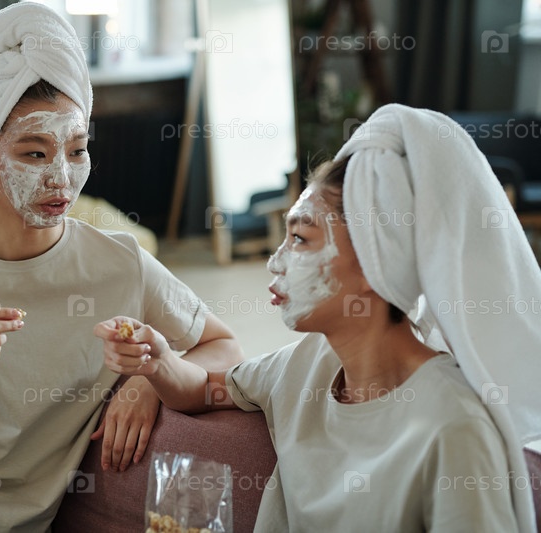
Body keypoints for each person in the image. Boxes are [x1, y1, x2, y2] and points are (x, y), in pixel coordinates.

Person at [0, 3, 243, 532]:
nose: (61, 178)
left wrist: (149, 377)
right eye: (33, 154)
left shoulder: (120, 264)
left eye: (76, 151)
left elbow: (224, 346)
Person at [96, 104, 541, 532]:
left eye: (300, 239)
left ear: (375, 263)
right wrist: (155, 362)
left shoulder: (455, 429)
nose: (275, 262)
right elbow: (204, 390)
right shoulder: (304, 364)